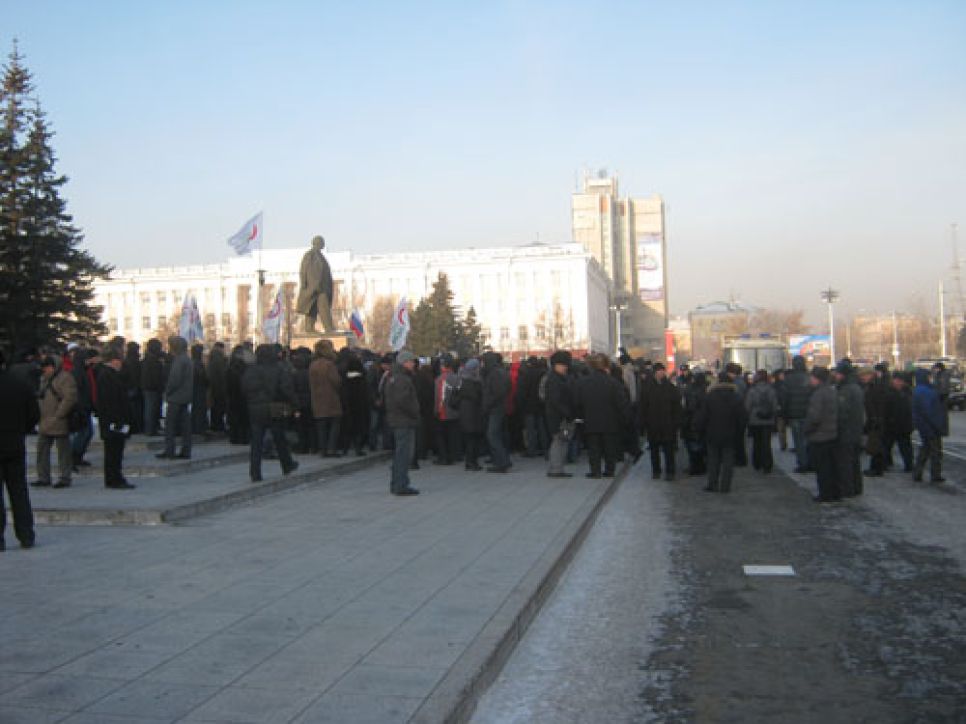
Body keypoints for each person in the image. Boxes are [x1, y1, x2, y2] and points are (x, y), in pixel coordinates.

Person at [0, 349, 40, 550]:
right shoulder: (19, 385)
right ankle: (26, 534)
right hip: (14, 443)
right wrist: (21, 429)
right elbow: (34, 414)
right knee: (19, 490)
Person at [242, 344, 299, 483]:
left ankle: (255, 472)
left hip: (255, 408)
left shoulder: (250, 370)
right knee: (279, 438)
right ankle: (287, 464)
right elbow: (286, 389)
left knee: (256, 442)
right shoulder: (278, 369)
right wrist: (295, 404)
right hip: (274, 407)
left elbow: (243, 388)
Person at [575, 353, 628, 478]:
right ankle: (610, 470)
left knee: (594, 447)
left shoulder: (584, 382)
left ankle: (595, 471)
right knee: (610, 446)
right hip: (611, 421)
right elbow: (621, 402)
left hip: (591, 420)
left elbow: (578, 402)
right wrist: (624, 418)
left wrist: (581, 416)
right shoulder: (613, 382)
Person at [695, 371, 745, 493]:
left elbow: (703, 416)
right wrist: (740, 431)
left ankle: (712, 484)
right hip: (730, 433)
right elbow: (742, 417)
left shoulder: (710, 396)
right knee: (728, 460)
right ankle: (725, 486)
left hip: (712, 433)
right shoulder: (736, 397)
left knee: (713, 460)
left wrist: (699, 429)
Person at [32, 356, 77, 489]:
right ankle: (43, 476)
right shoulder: (44, 379)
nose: (44, 370)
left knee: (63, 451)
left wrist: (59, 414)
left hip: (58, 420)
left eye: (46, 367)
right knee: (42, 450)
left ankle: (64, 477)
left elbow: (70, 398)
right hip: (45, 419)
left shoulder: (65, 378)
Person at [96, 347, 136, 489]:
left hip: (114, 420)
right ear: (114, 360)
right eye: (120, 360)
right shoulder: (107, 376)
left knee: (116, 451)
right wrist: (118, 420)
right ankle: (114, 478)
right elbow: (110, 401)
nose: (121, 364)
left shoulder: (109, 375)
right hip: (113, 421)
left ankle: (115, 477)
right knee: (113, 451)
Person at [384, 350, 420, 495]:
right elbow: (403, 400)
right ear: (404, 362)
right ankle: (401, 485)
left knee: (400, 453)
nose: (413, 364)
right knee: (404, 454)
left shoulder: (393, 377)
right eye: (411, 362)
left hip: (396, 419)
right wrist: (414, 412)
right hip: (404, 420)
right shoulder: (402, 379)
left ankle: (397, 483)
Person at [804, 366, 841, 503]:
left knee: (822, 467)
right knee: (832, 466)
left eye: (812, 377)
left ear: (817, 379)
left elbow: (815, 417)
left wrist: (807, 429)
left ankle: (825, 493)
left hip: (819, 435)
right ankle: (835, 492)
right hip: (832, 433)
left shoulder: (818, 394)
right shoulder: (832, 391)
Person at [640, 362, 682, 481]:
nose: (661, 373)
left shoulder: (671, 388)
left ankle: (670, 471)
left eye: (662, 371)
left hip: (668, 424)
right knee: (654, 450)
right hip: (653, 424)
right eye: (658, 371)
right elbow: (642, 407)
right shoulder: (647, 388)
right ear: (654, 373)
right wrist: (642, 424)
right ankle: (656, 471)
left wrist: (677, 422)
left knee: (669, 450)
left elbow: (677, 407)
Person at [157, 336, 193, 460]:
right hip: (185, 396)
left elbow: (174, 379)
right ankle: (186, 450)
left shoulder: (179, 360)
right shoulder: (187, 359)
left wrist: (167, 391)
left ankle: (169, 450)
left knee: (170, 425)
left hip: (176, 397)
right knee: (185, 426)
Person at [834, 359, 865, 497]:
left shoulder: (845, 390)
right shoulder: (856, 387)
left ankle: (847, 489)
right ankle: (856, 486)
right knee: (854, 461)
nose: (835, 375)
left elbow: (842, 412)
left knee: (845, 461)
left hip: (846, 431)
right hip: (856, 429)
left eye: (838, 373)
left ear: (843, 374)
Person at [912, 367, 946, 483]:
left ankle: (917, 472)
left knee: (925, 450)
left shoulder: (918, 390)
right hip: (931, 427)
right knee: (935, 452)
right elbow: (930, 411)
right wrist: (938, 425)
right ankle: (935, 475)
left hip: (923, 426)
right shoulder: (927, 391)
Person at [544, 350, 576, 478]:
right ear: (556, 365)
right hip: (558, 417)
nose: (565, 367)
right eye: (563, 365)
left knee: (562, 440)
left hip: (560, 415)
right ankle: (556, 469)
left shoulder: (558, 378)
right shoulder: (554, 380)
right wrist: (567, 413)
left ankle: (557, 468)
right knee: (559, 441)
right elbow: (556, 400)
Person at [309, 339, 342, 457]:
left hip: (317, 399)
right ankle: (331, 449)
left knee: (321, 426)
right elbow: (336, 381)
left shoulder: (313, 364)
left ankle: (322, 449)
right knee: (334, 424)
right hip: (331, 398)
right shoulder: (329, 364)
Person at [296, 235, 335, 334]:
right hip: (313, 287)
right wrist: (304, 283)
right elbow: (303, 270)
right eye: (321, 242)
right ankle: (313, 328)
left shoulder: (321, 256)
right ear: (317, 243)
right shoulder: (309, 255)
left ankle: (327, 328)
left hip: (322, 288)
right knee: (312, 307)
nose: (323, 244)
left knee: (320, 307)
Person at [481, 351, 512, 473]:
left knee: (492, 435)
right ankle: (502, 460)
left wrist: (488, 403)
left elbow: (497, 393)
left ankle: (502, 462)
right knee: (498, 434)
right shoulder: (501, 371)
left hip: (495, 408)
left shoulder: (494, 374)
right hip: (500, 407)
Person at [781, 355, 812, 473]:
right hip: (809, 414)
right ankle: (810, 462)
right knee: (808, 439)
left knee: (798, 441)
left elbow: (785, 398)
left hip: (794, 414)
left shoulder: (788, 379)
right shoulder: (809, 377)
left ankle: (802, 463)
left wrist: (784, 413)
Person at [745, 370, 778, 473]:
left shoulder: (752, 390)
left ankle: (757, 463)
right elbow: (775, 405)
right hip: (768, 420)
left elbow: (747, 406)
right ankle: (767, 464)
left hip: (755, 419)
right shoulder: (771, 390)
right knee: (766, 443)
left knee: (756, 442)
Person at [455, 357, 484, 470]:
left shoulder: (461, 381)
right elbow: (478, 398)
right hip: (473, 414)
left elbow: (454, 398)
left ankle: (469, 462)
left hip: (464, 413)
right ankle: (472, 463)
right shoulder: (475, 382)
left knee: (469, 439)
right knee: (473, 440)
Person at [433, 356, 461, 465]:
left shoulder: (441, 379)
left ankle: (444, 457)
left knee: (441, 436)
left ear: (443, 366)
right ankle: (454, 455)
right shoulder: (457, 377)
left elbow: (440, 397)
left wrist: (436, 410)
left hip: (444, 412)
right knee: (453, 435)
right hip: (455, 411)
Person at [340, 354, 370, 456]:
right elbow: (365, 392)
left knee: (347, 428)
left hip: (347, 406)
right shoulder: (361, 378)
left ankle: (345, 449)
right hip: (359, 406)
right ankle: (358, 448)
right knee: (358, 428)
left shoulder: (345, 377)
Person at [885, 371, 915, 473]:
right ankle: (886, 463)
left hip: (904, 424)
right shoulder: (889, 391)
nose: (898, 382)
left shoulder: (907, 391)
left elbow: (910, 409)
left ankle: (909, 465)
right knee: (887, 445)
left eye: (900, 380)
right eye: (896, 380)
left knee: (905, 447)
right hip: (891, 423)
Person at [141, 338, 164, 436]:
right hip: (152, 387)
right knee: (151, 409)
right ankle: (151, 429)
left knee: (151, 409)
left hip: (149, 387)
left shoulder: (148, 358)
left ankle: (151, 428)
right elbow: (156, 375)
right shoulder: (153, 360)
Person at [207, 342, 228, 432]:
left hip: (212, 387)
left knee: (214, 408)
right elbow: (222, 374)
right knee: (219, 407)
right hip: (219, 387)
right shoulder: (219, 359)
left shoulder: (211, 358)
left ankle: (214, 424)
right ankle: (219, 426)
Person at [190, 344, 209, 434]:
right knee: (199, 409)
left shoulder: (193, 363)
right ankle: (199, 428)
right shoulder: (197, 364)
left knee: (197, 409)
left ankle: (197, 427)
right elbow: (202, 377)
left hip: (196, 389)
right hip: (198, 389)